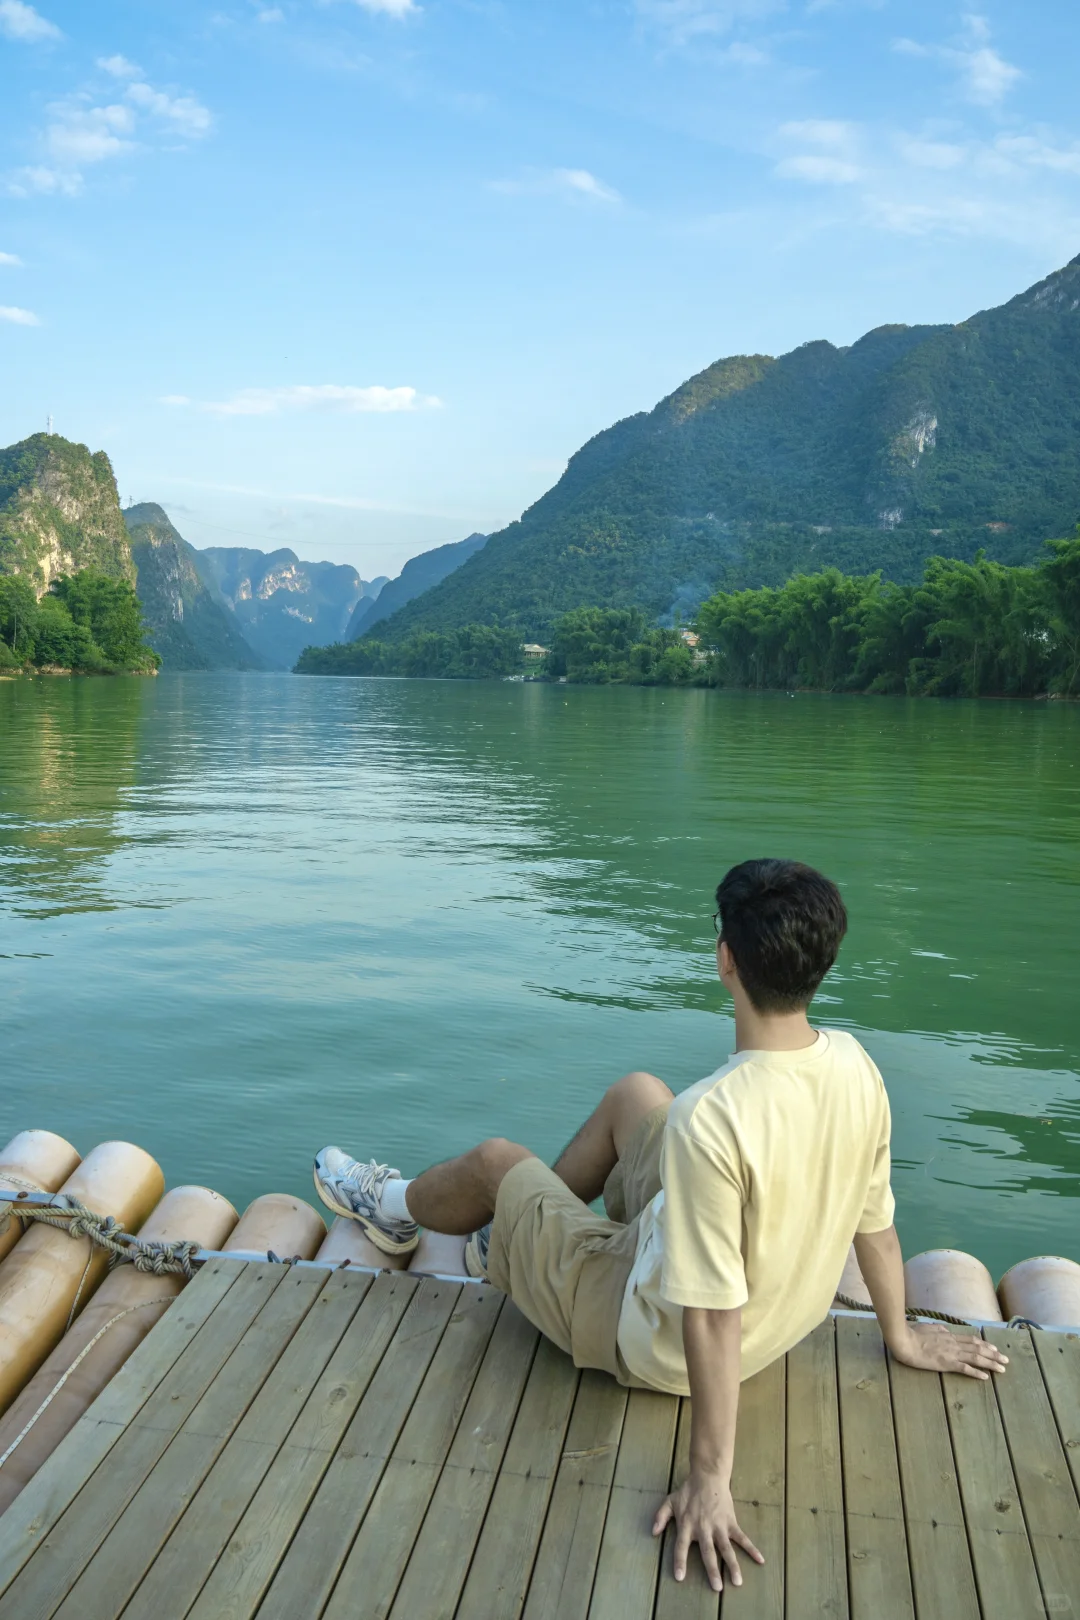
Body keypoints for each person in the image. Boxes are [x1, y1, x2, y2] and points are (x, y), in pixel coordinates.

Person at [313, 857, 1007, 1594]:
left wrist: (711, 1477)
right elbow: (878, 1225)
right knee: (636, 1095)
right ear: (822, 963)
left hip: (652, 1338)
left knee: (494, 1161)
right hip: (779, 1318)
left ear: (725, 960)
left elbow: (711, 1314)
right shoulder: (855, 1067)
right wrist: (899, 1336)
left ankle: (386, 1209)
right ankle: (519, 1238)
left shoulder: (712, 1117)